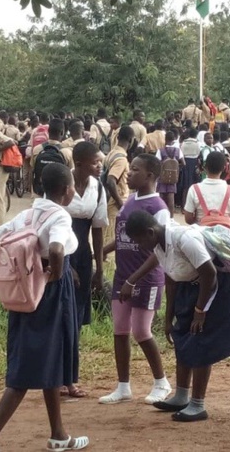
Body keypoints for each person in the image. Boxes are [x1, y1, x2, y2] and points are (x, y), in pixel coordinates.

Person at [0, 163, 88, 452]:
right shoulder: (60, 216)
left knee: (51, 360)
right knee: (26, 370)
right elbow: (58, 250)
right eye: (72, 185)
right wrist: (53, 275)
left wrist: (23, 273)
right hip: (50, 297)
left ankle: (59, 435)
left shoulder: (28, 214)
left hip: (26, 294)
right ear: (66, 190)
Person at [124, 209, 230, 422]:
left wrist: (200, 311)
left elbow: (210, 274)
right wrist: (168, 317)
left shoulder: (184, 238)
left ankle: (198, 404)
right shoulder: (160, 246)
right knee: (182, 336)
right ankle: (181, 396)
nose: (140, 246)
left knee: (200, 340)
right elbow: (171, 279)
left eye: (139, 241)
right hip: (189, 288)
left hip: (217, 288)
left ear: (150, 232)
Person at [99, 154, 171, 405]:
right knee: (119, 330)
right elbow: (121, 237)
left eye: (135, 170)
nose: (129, 174)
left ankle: (161, 382)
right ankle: (123, 386)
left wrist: (134, 279)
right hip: (122, 276)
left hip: (147, 278)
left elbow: (161, 251)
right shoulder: (130, 200)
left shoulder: (159, 209)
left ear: (150, 176)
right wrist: (101, 252)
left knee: (141, 331)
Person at [63, 141, 107, 398]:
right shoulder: (62, 181)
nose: (99, 166)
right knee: (62, 318)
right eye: (94, 162)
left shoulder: (98, 188)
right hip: (60, 254)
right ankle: (58, 378)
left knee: (77, 320)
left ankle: (71, 380)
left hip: (82, 256)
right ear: (78, 164)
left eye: (100, 161)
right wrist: (64, 265)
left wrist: (99, 267)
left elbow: (98, 228)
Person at [184, 151, 230, 227]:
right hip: (224, 236)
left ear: (205, 167)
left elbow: (188, 219)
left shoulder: (194, 189)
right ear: (224, 168)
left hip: (201, 235)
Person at [103, 126, 132, 246]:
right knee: (111, 237)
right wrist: (120, 202)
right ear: (131, 140)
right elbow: (111, 180)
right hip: (115, 203)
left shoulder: (111, 153)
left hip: (109, 199)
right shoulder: (121, 159)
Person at [156, 131, 185, 212]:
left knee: (161, 195)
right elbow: (184, 163)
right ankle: (171, 218)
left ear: (165, 139)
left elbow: (157, 162)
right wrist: (176, 168)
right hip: (173, 177)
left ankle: (160, 213)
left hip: (162, 176)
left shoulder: (161, 150)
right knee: (171, 196)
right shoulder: (178, 150)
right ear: (173, 140)